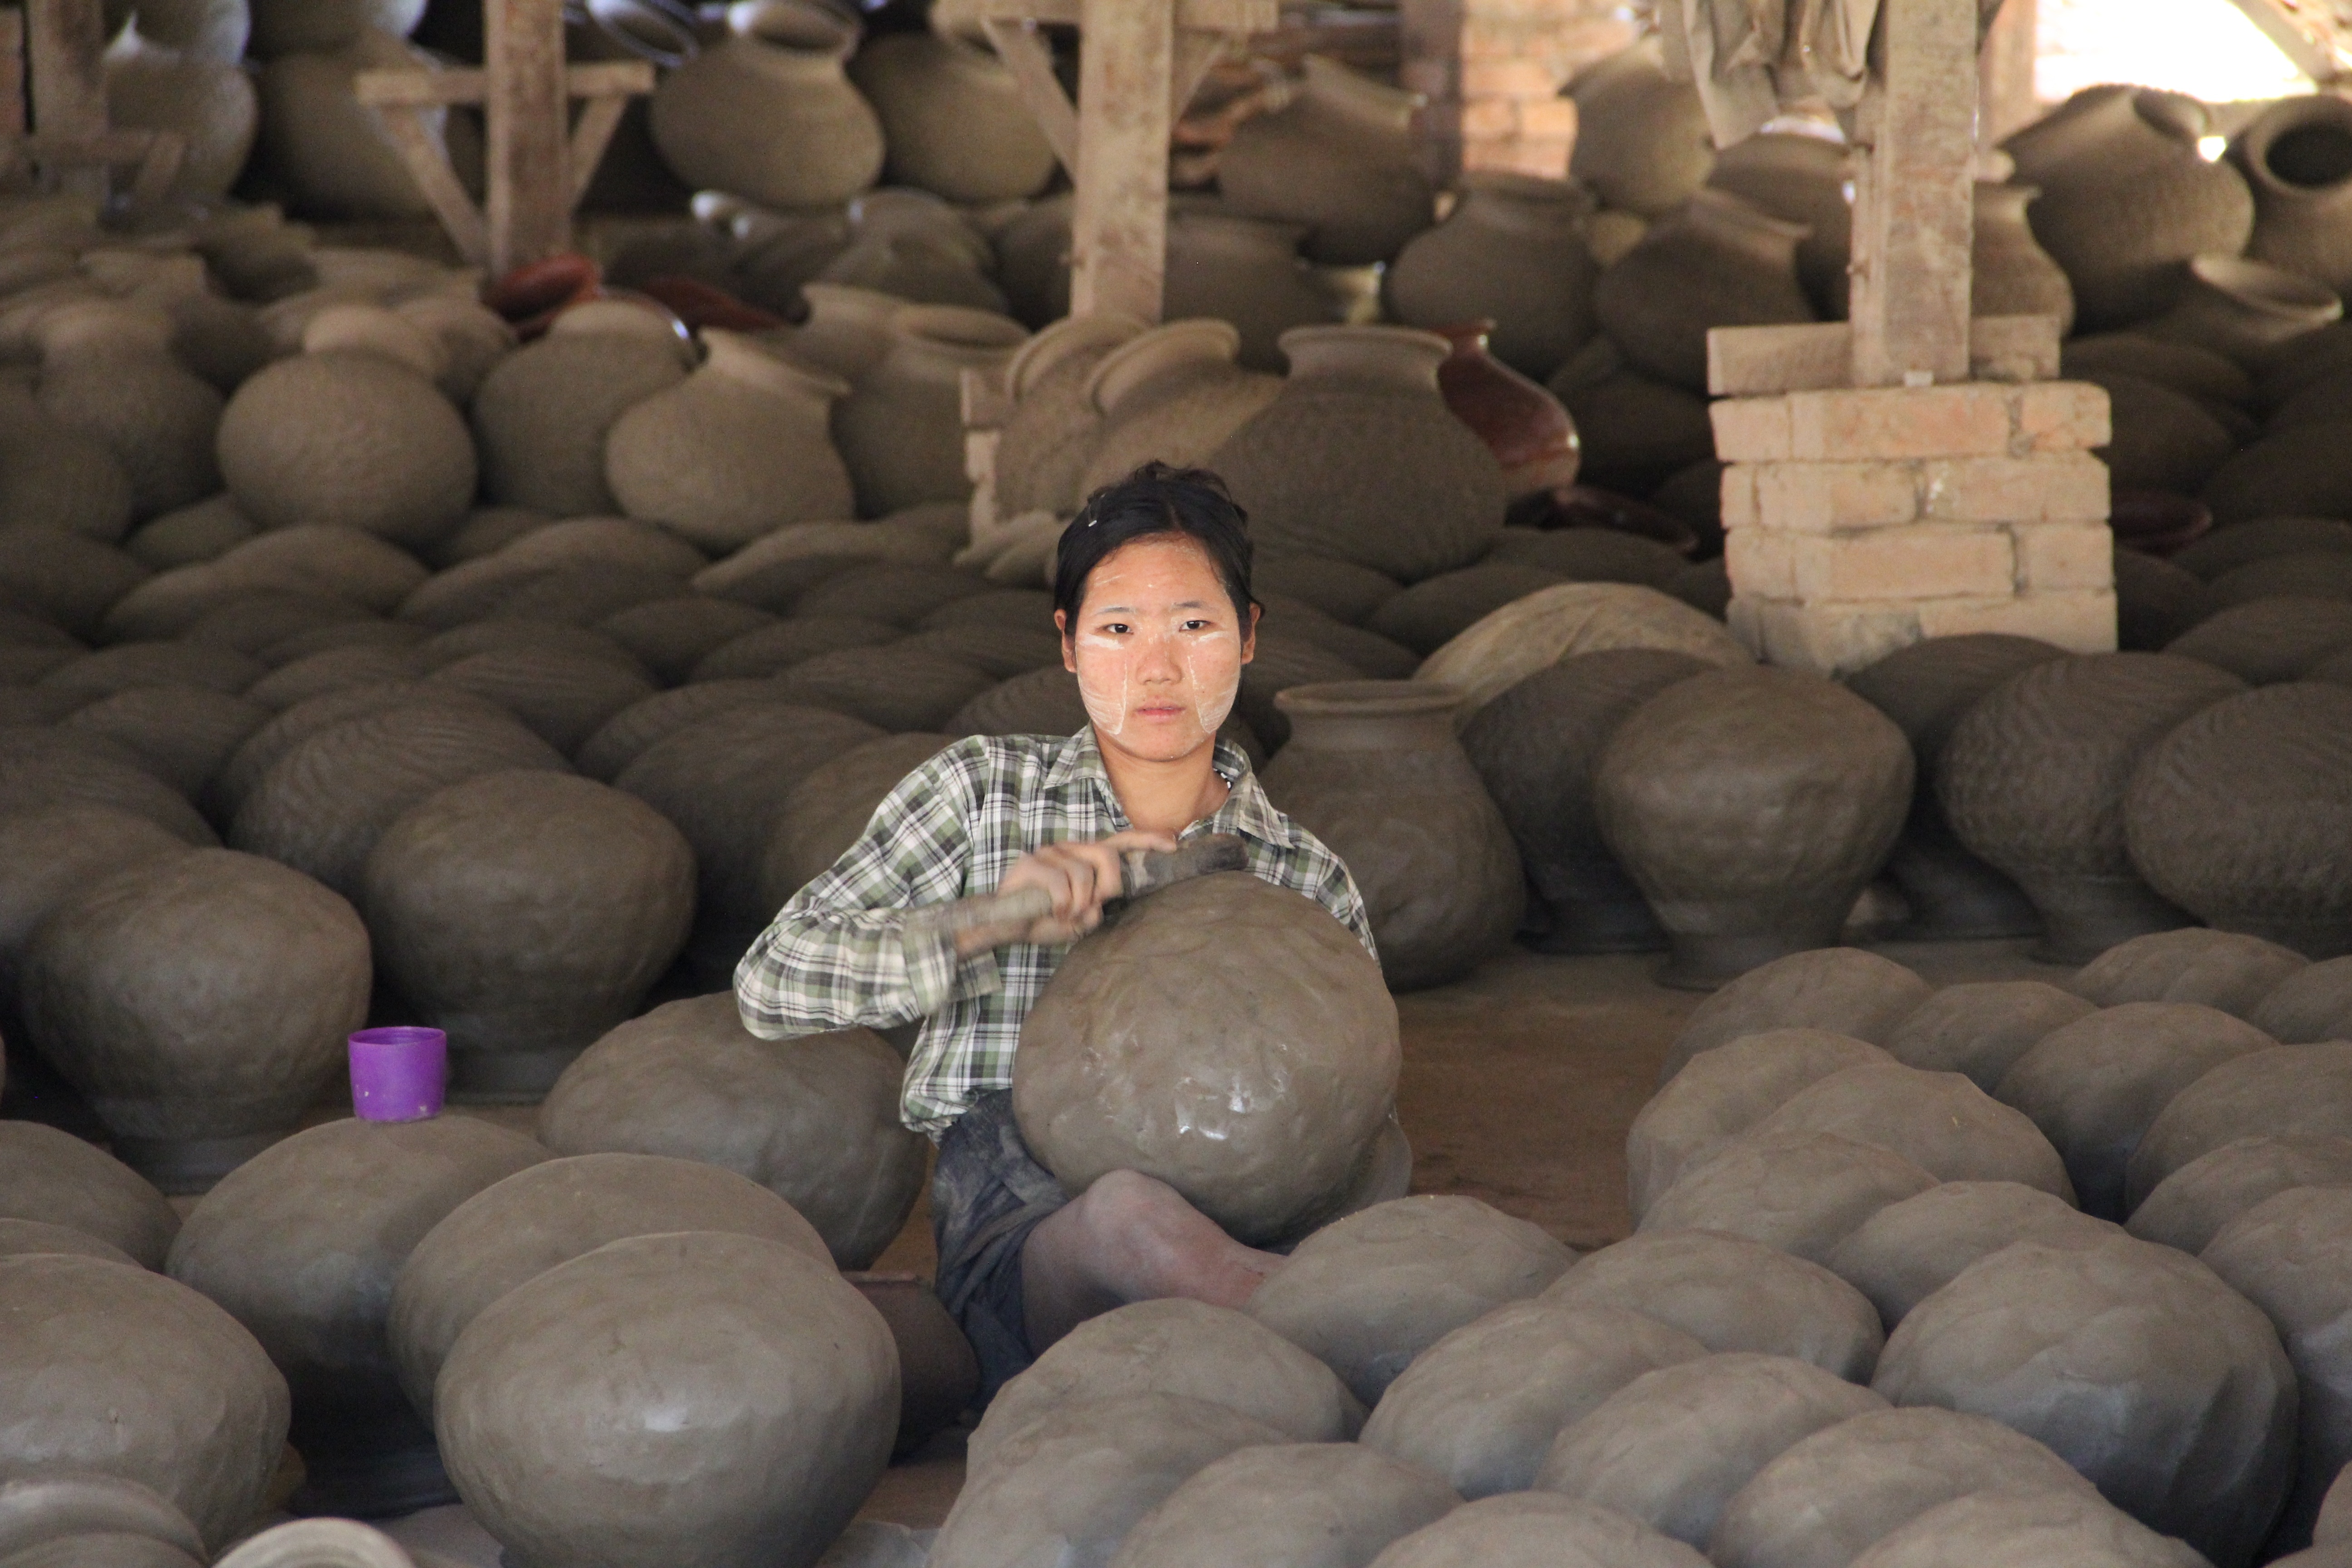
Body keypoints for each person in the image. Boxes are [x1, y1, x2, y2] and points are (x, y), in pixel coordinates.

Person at [735, 462, 1377, 1399]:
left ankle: (1327, 1331)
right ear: (1070, 646)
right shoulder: (981, 793)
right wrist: (984, 923)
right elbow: (770, 984)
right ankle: (1366, 1346)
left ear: (1248, 636)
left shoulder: (1304, 875)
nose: (1158, 667)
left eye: (1194, 625)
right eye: (1119, 630)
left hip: (1252, 1214)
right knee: (1129, 1219)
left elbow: (1357, 1109)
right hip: (1029, 1237)